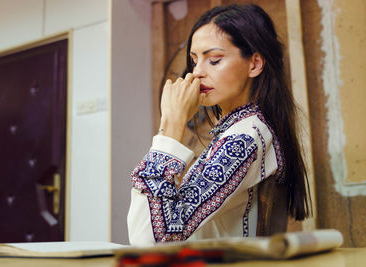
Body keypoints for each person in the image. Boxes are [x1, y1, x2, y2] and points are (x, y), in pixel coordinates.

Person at [127, 3, 311, 245]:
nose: (196, 73)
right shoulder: (247, 130)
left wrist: (171, 125)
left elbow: (151, 242)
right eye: (194, 61)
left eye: (214, 60)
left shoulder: (244, 139)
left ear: (254, 64)